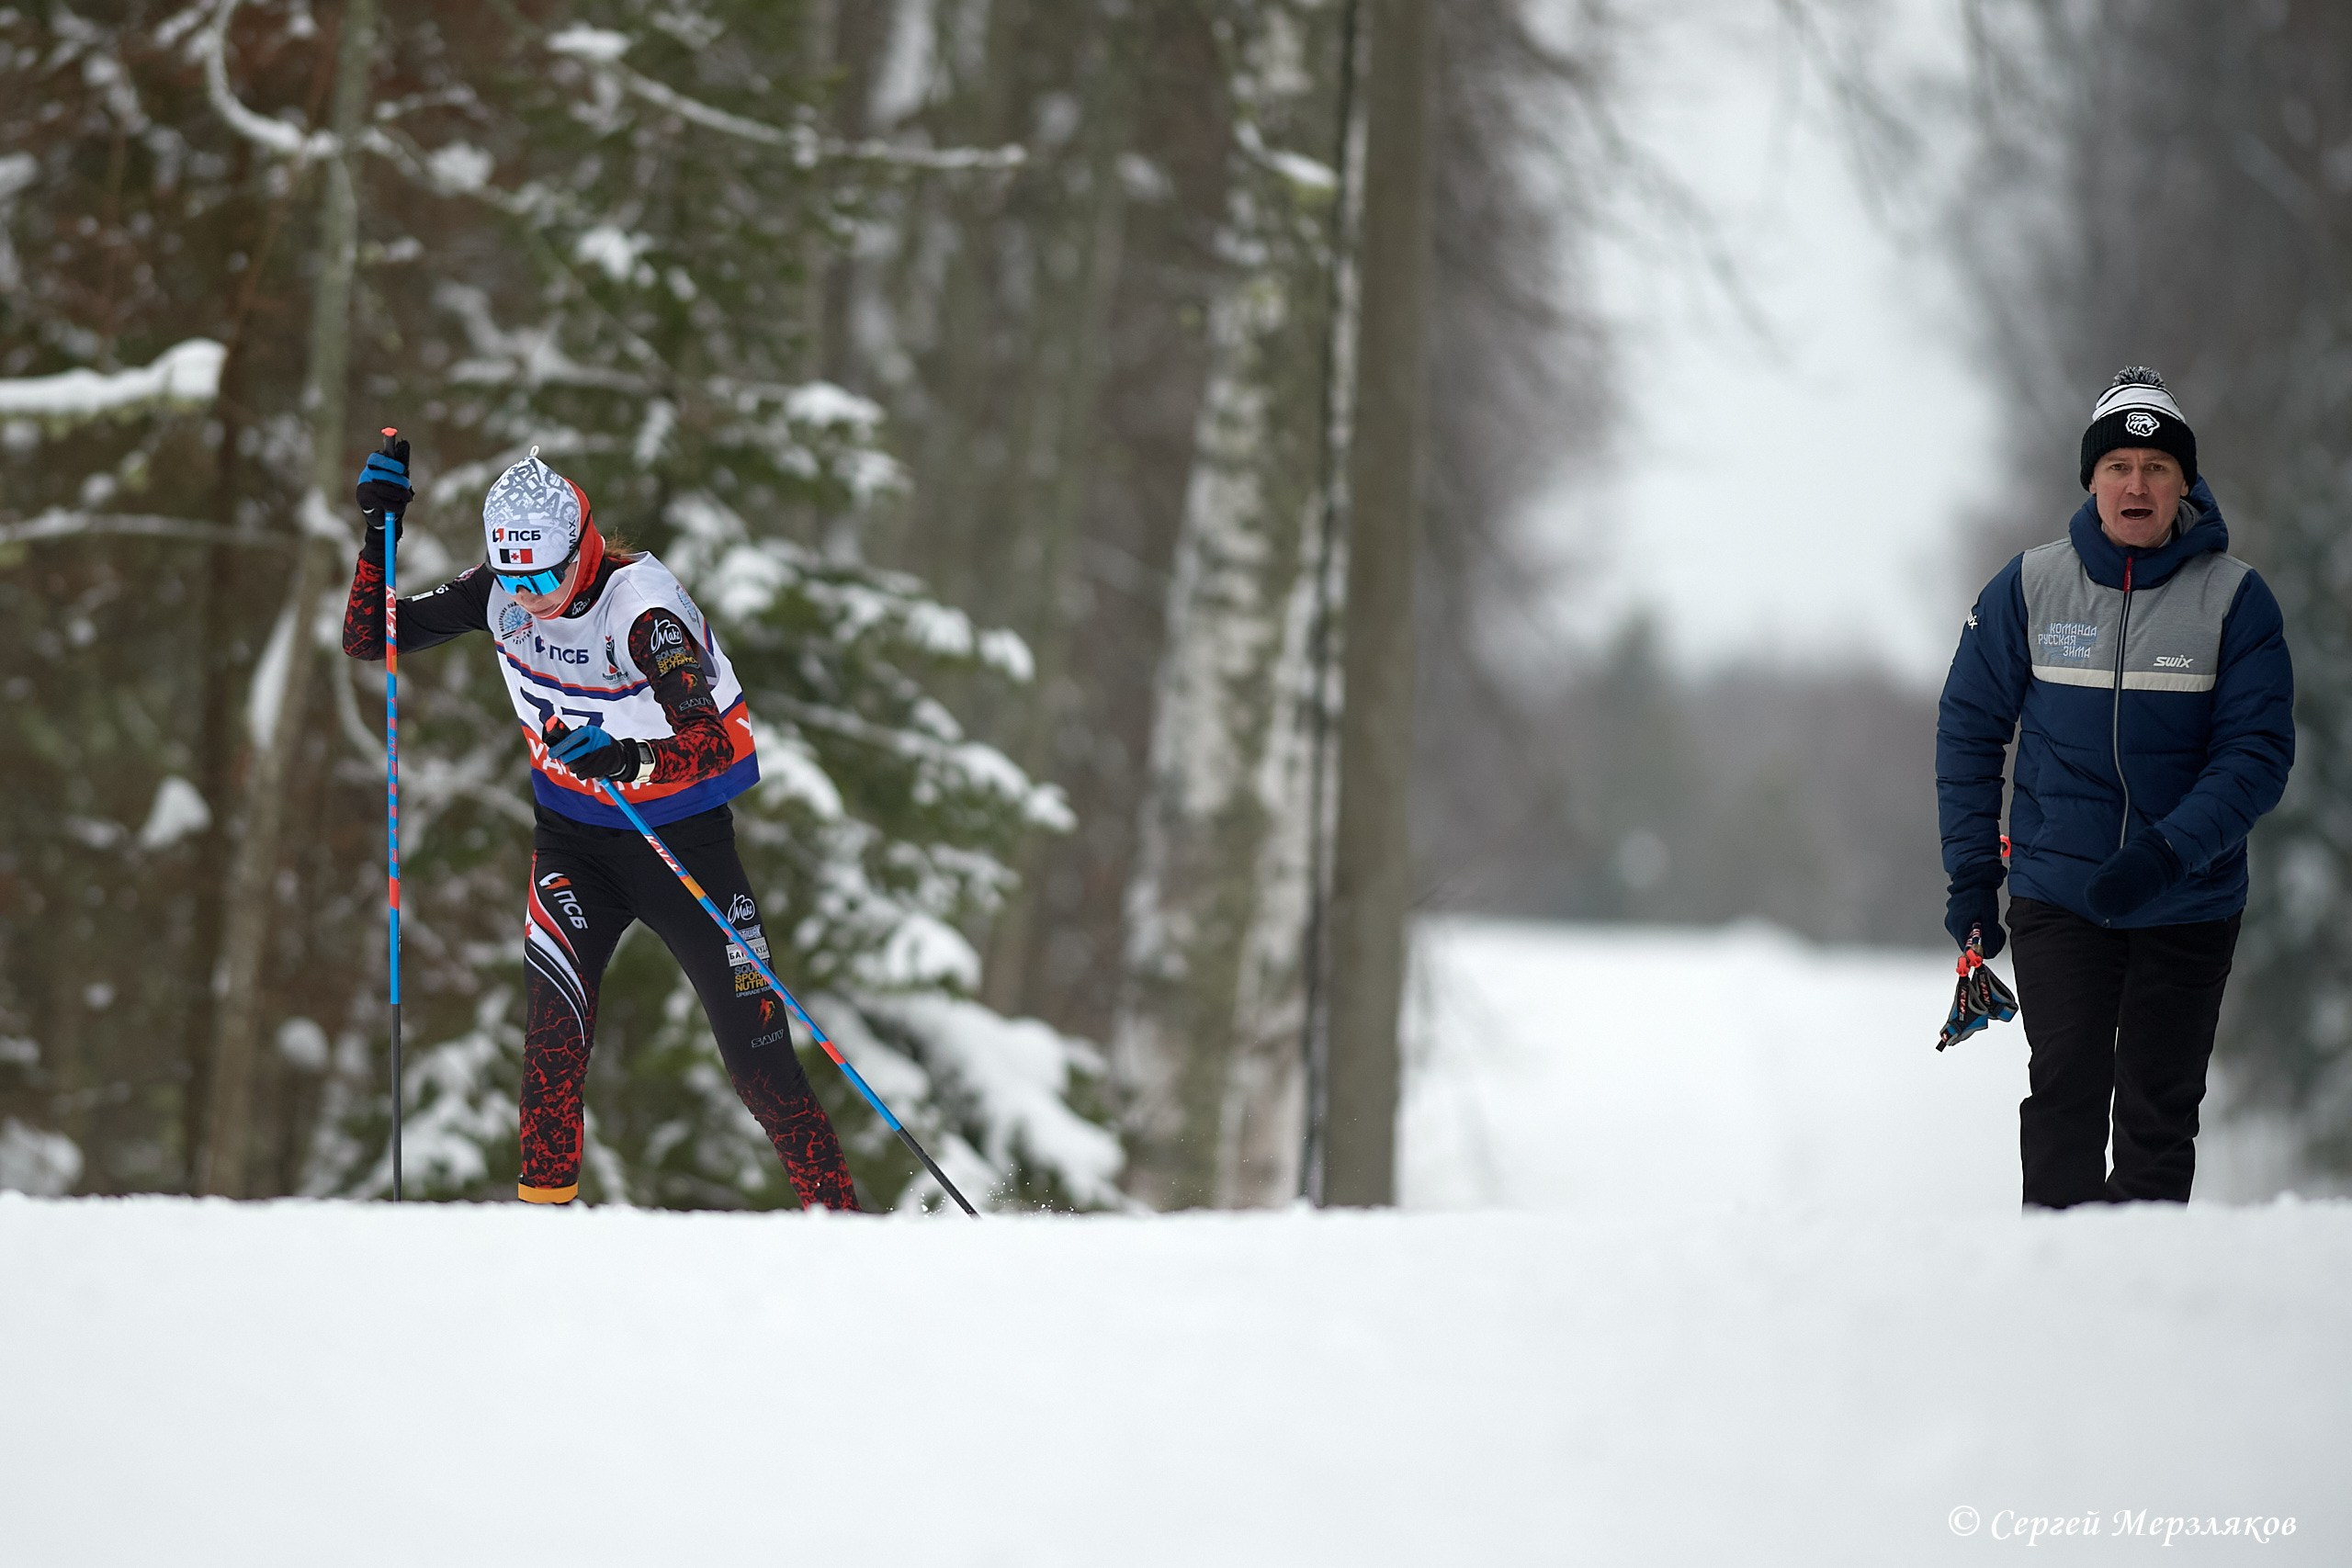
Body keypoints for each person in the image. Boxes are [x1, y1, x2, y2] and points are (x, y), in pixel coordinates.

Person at [342, 441, 860, 1209]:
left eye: (546, 577)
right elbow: (372, 637)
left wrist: (629, 759)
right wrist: (379, 534)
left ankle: (845, 1223)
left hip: (683, 845)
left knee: (759, 1060)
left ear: (583, 549)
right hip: (575, 845)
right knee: (553, 1042)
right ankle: (545, 1236)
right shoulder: (502, 593)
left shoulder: (643, 612)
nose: (531, 598)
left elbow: (718, 740)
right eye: (513, 579)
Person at [1936, 367, 2294, 1209]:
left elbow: (2258, 754)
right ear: (2092, 480)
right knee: (2064, 1099)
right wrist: (1972, 877)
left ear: (2184, 486)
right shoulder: (2028, 588)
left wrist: (2167, 855)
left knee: (2157, 1118)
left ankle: (2148, 1310)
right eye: (2120, 465)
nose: (2138, 483)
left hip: (2189, 899)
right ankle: (2060, 1303)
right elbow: (1967, 727)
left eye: (2158, 467)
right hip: (2061, 893)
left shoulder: (2235, 602)